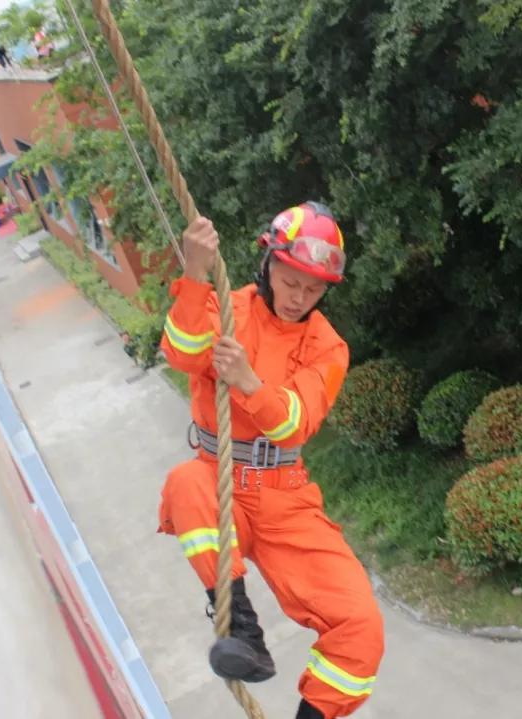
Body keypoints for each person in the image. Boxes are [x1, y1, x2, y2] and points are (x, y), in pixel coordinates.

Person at [157, 202, 384, 719]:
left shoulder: (327, 346)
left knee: (361, 623)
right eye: (291, 280)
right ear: (269, 264)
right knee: (186, 482)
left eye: (314, 289)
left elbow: (296, 422)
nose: (299, 297)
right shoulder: (228, 309)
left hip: (285, 495)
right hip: (221, 481)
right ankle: (241, 628)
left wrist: (248, 383)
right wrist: (194, 274)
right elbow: (182, 352)